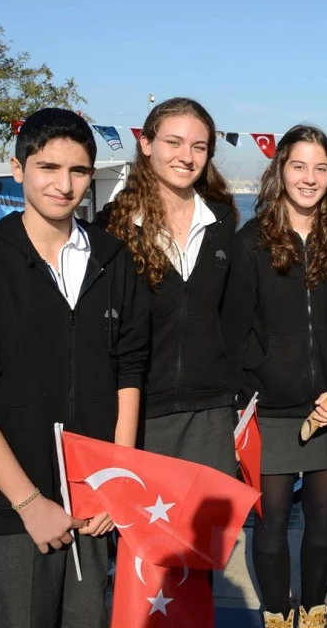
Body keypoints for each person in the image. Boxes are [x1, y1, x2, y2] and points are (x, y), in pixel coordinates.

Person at [0, 109, 149, 628]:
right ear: (18, 167)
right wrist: (27, 502)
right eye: (48, 168)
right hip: (12, 506)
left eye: (78, 171)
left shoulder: (114, 260)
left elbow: (130, 372)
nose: (63, 185)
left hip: (93, 497)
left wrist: (117, 478)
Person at [220, 124, 327, 628]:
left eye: (321, 168)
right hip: (269, 409)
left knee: (324, 519)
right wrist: (245, 397)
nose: (310, 178)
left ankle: (314, 611)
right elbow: (233, 330)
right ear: (280, 170)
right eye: (299, 166)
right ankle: (278, 614)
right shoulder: (249, 242)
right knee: (273, 521)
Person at [98, 98, 240, 478]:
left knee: (211, 536)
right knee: (146, 536)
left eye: (199, 146)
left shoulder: (223, 220)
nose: (187, 156)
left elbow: (236, 313)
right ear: (146, 144)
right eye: (173, 142)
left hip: (212, 411)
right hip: (139, 412)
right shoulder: (111, 227)